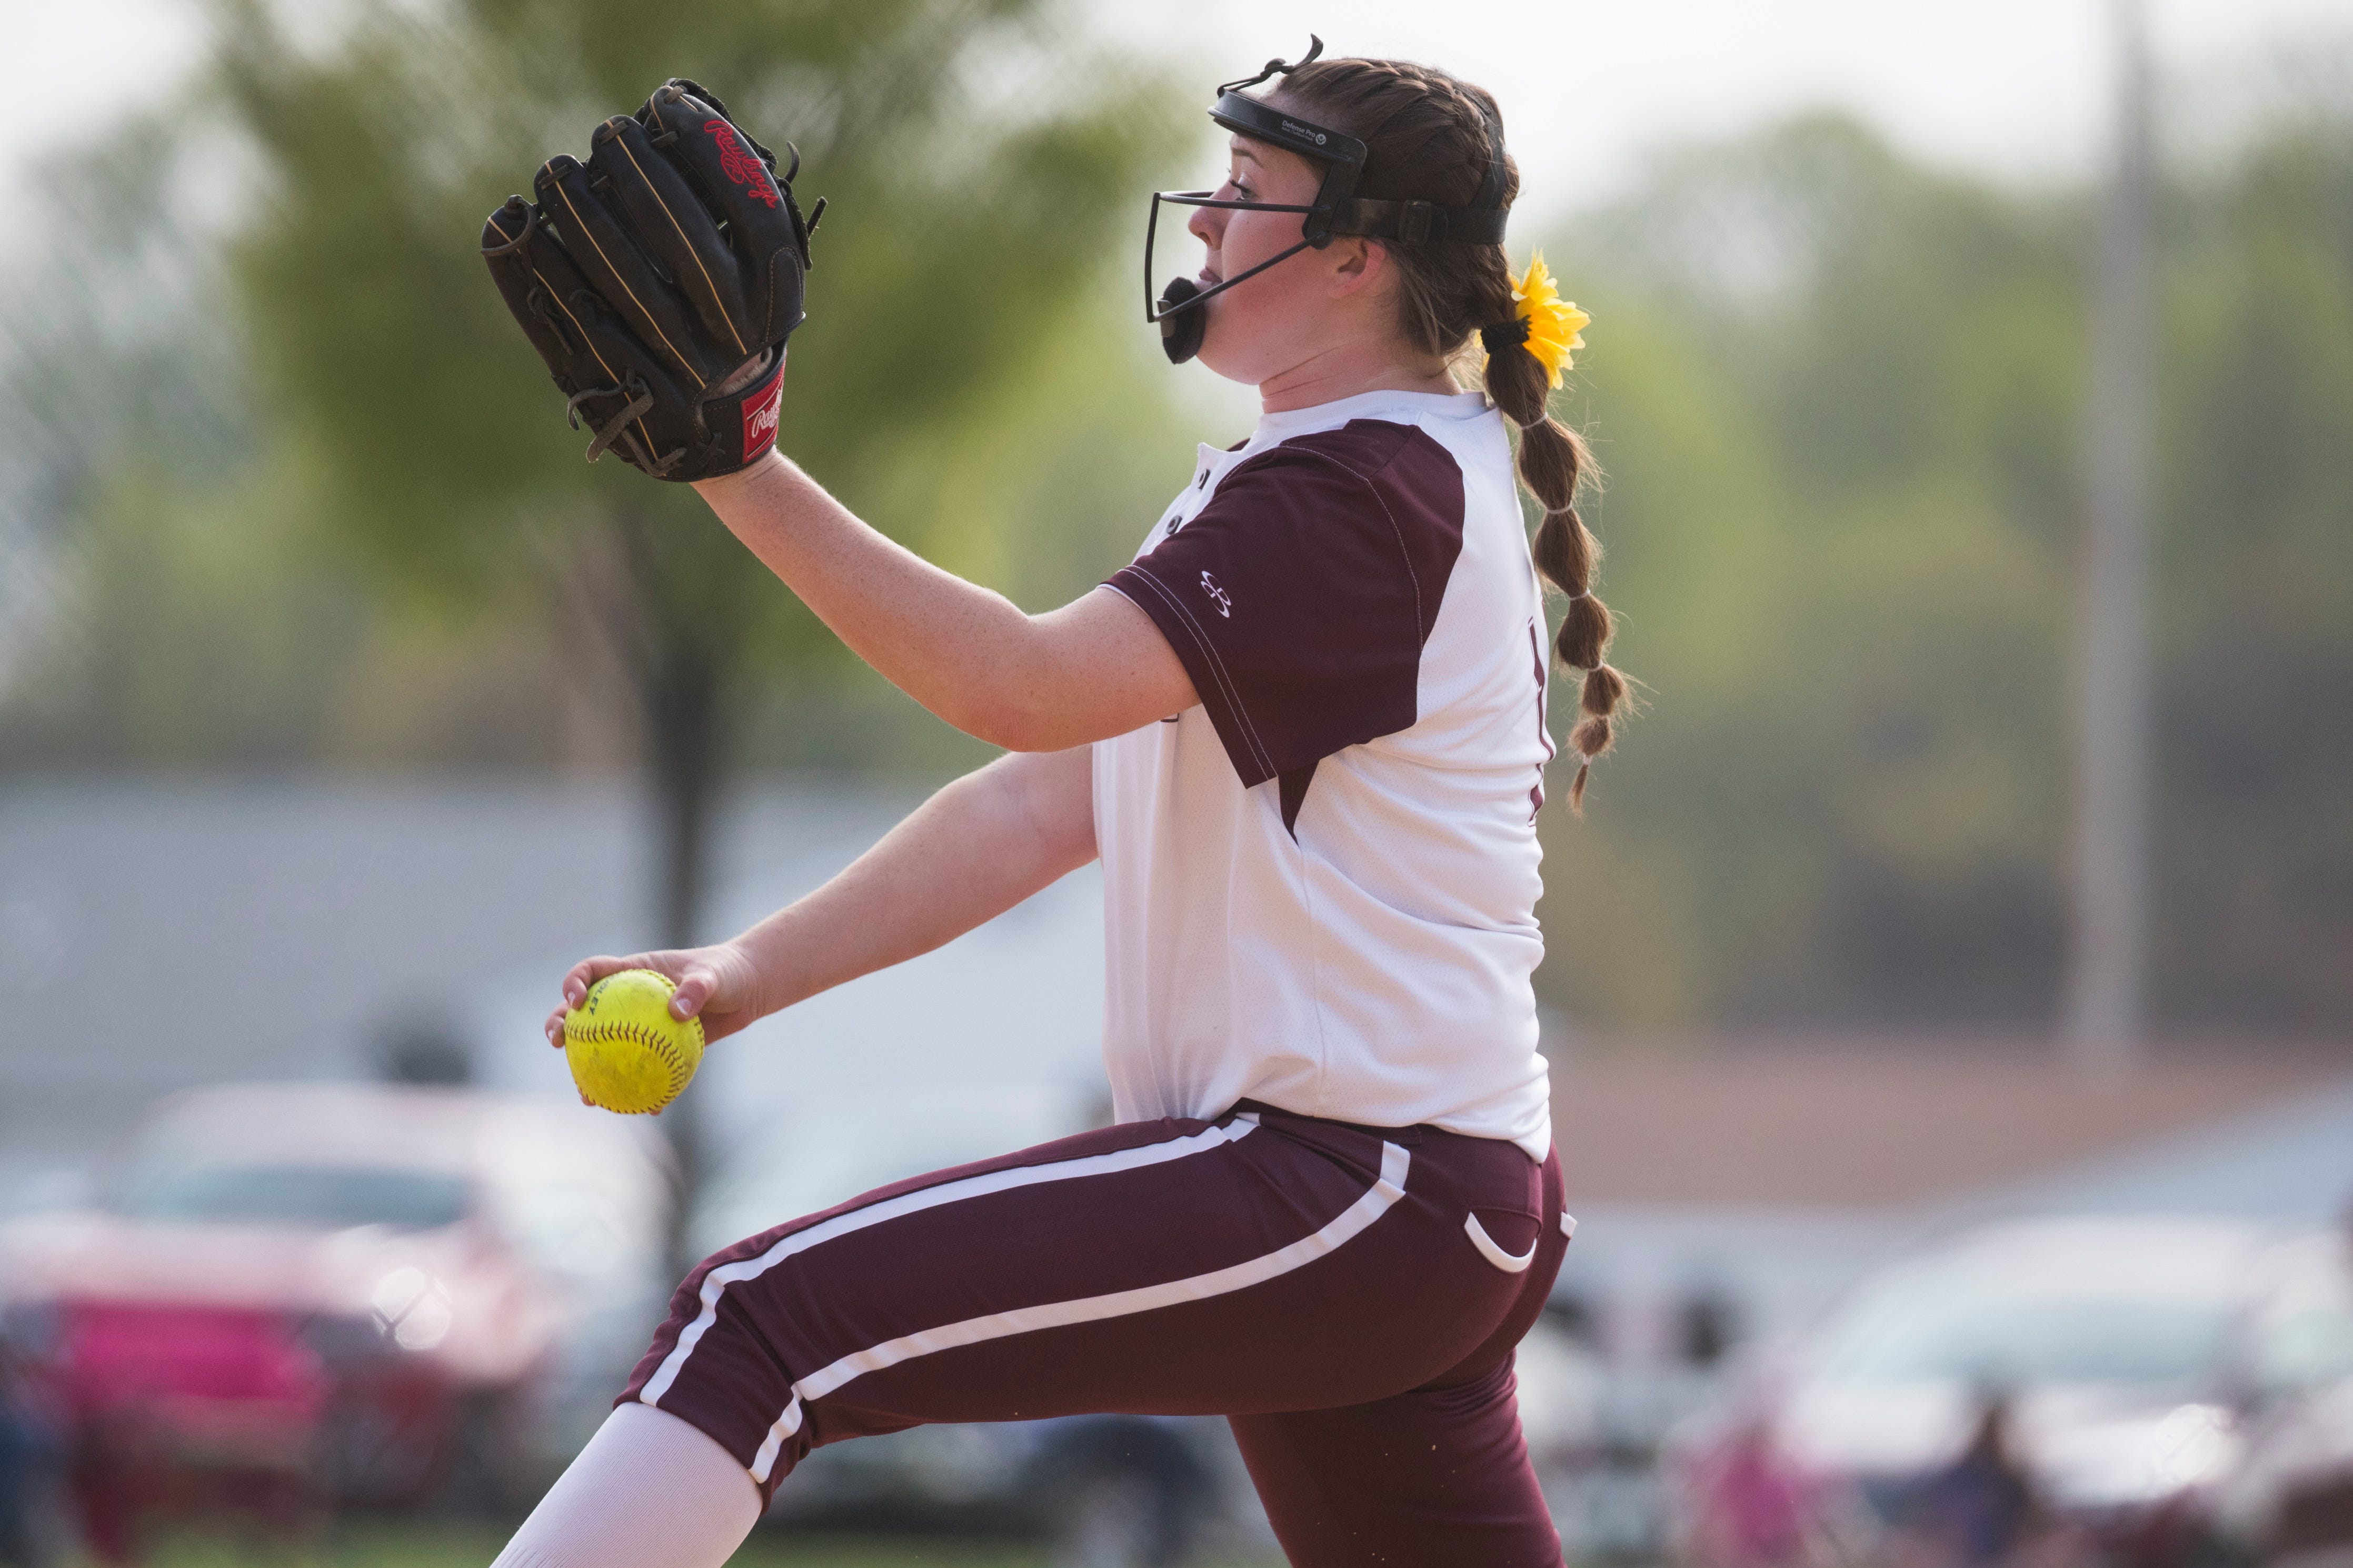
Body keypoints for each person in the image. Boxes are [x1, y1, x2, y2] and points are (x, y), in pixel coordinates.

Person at [491, 41, 1628, 1568]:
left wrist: (739, 467)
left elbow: (1017, 684)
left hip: (1348, 1182)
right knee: (770, 1324)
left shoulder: (1358, 497)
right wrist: (740, 975)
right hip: (1403, 1193)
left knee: (762, 1322)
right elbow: (1040, 799)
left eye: (1253, 194)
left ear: (1357, 259)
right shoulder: (1336, 477)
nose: (1211, 222)